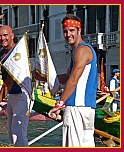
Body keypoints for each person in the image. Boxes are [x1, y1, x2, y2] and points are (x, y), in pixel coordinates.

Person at [48, 14, 97, 147]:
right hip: (86, 109)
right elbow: (67, 78)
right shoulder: (78, 51)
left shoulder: (81, 51)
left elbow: (73, 80)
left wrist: (59, 105)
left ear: (79, 31)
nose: (68, 34)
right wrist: (46, 77)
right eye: (65, 31)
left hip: (77, 108)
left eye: (71, 30)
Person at [0, 25, 30, 146]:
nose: (2, 38)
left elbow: (9, 82)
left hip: (22, 95)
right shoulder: (1, 52)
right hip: (11, 96)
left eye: (5, 35)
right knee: (11, 134)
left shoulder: (17, 54)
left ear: (12, 36)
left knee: (18, 134)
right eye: (0, 36)